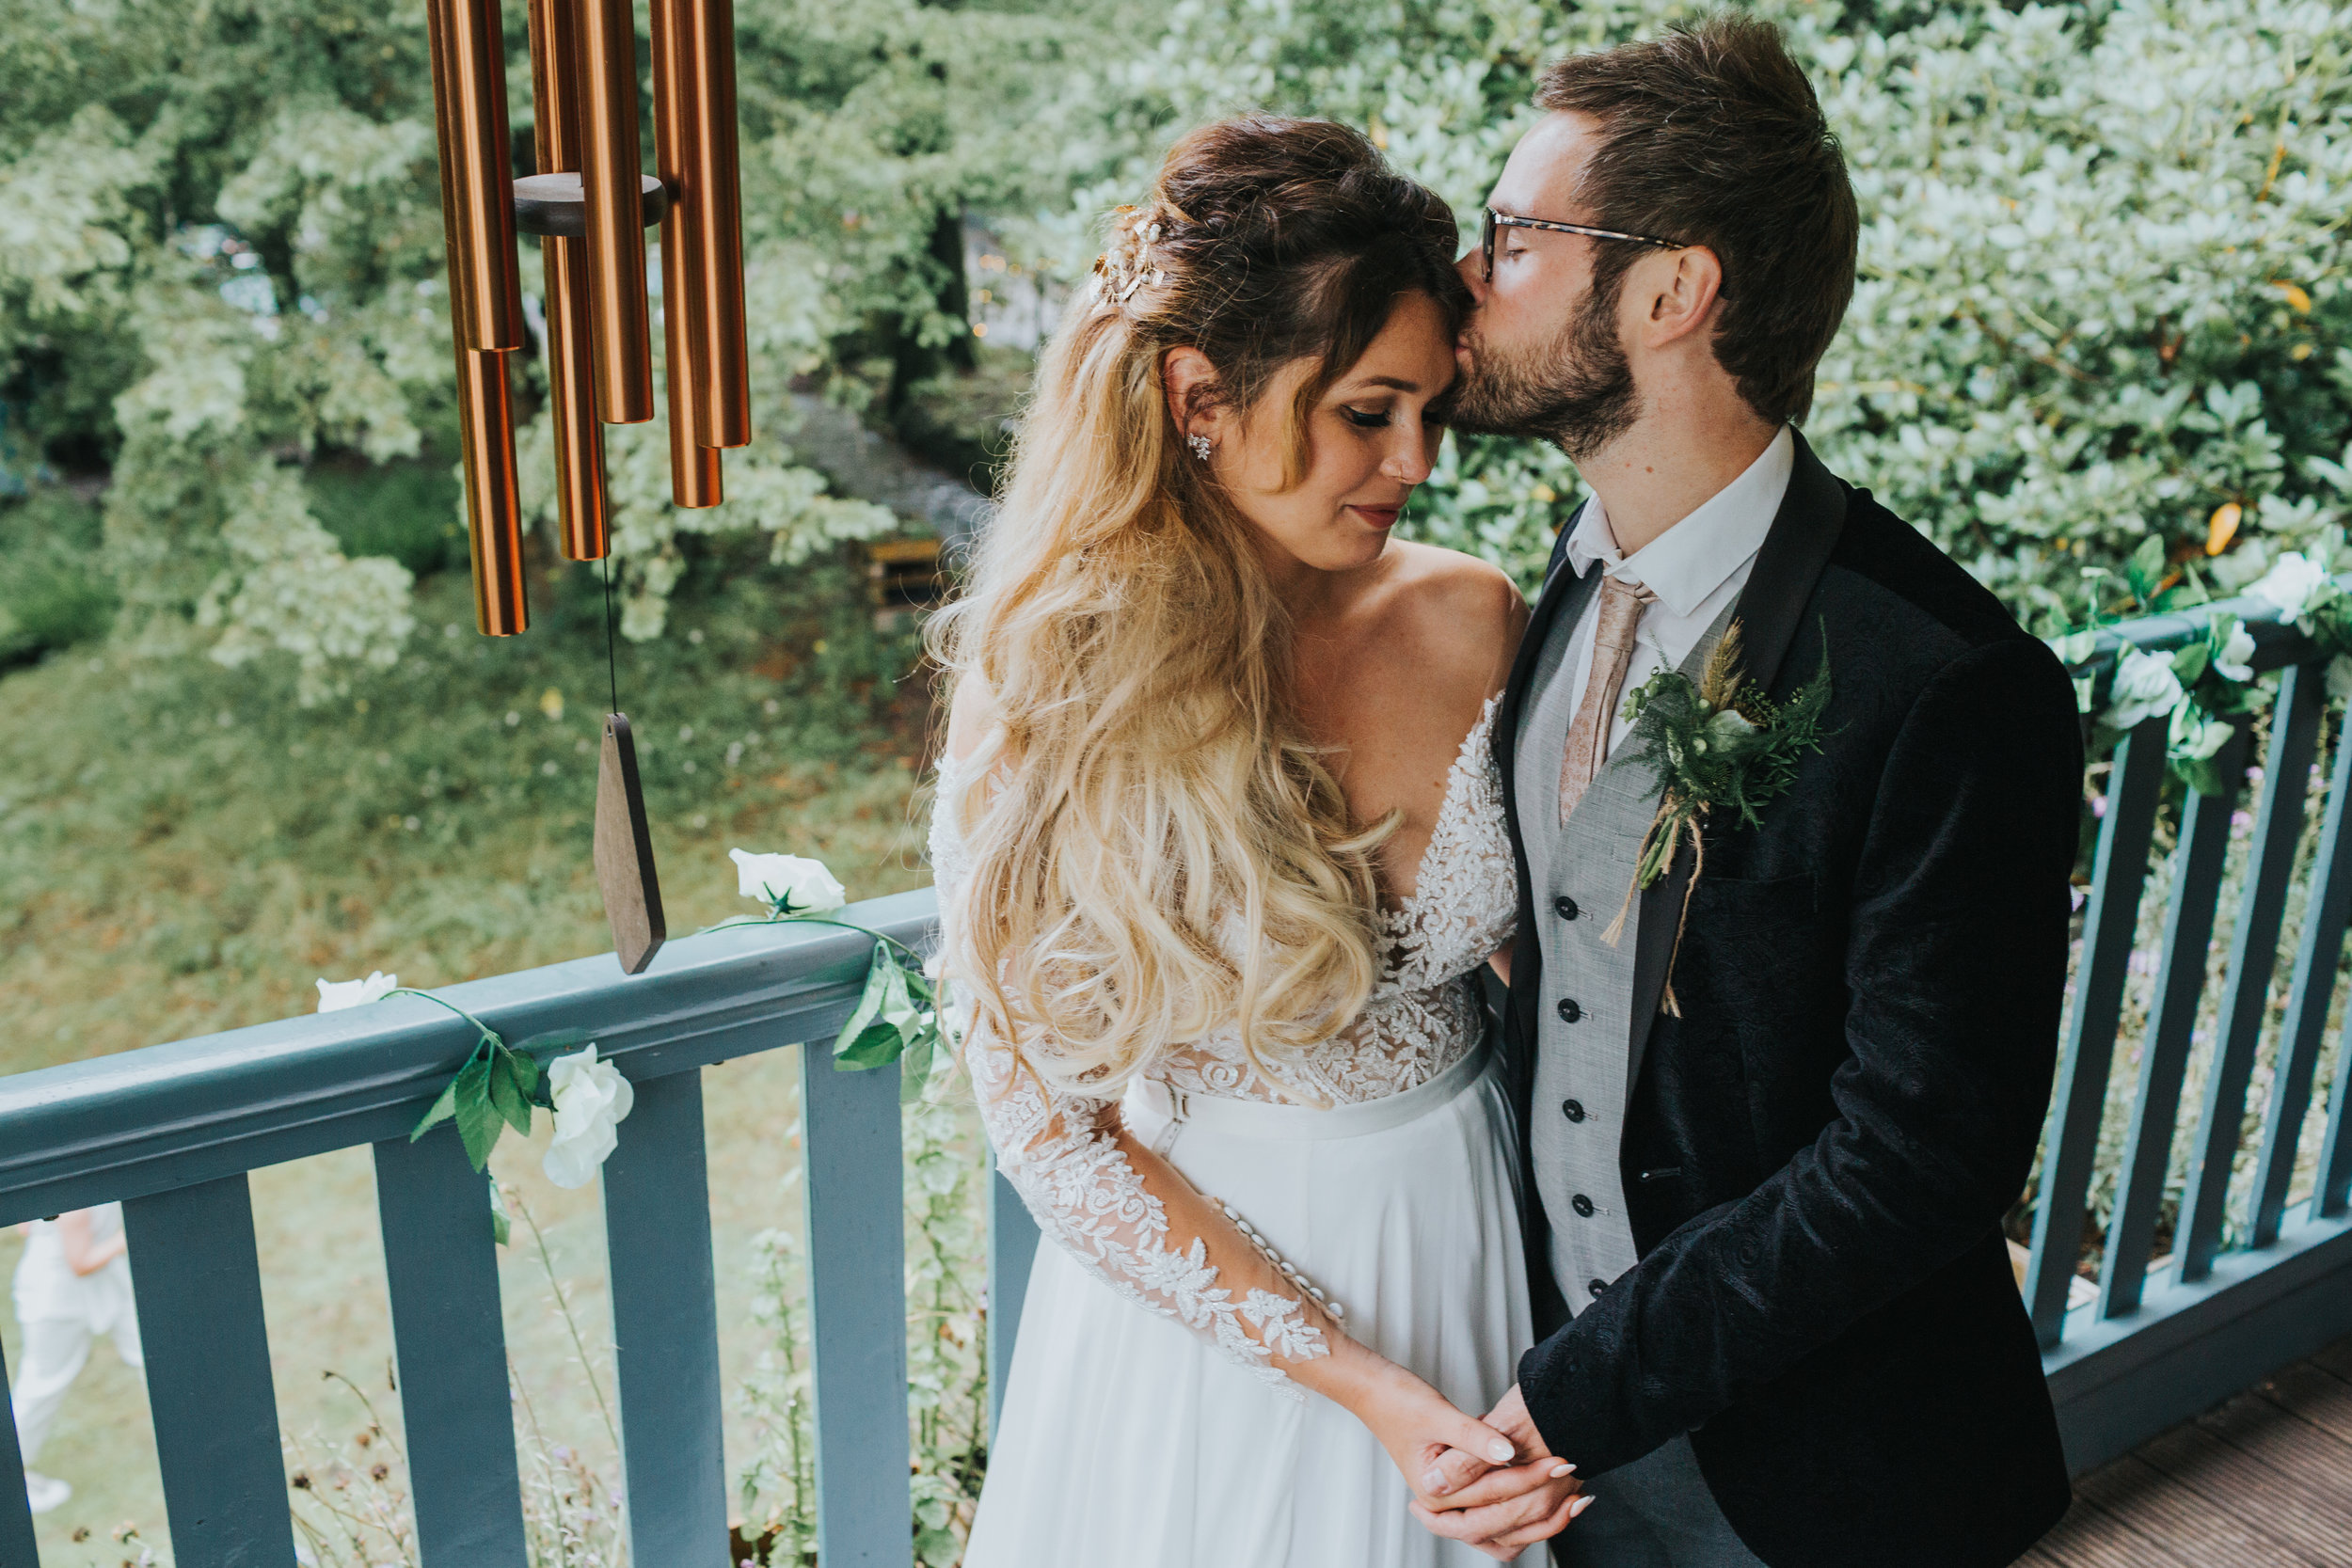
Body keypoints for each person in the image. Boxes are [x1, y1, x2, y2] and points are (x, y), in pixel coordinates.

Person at [1407, 15, 2084, 1567]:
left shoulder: (1947, 679)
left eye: (1512, 235)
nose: (1469, 278)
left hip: (1833, 1471)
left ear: (1670, 290)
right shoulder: (1560, 583)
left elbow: (1916, 1156)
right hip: (1572, 1461)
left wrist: (1577, 1391)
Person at [928, 117, 1586, 1566]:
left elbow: (1571, 974)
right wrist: (1362, 1383)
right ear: (1199, 393)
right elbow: (1048, 1126)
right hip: (1216, 1302)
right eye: (1368, 409)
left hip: (1471, 1233)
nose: (1414, 457)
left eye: (1430, 409)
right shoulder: (1048, 681)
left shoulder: (1471, 615)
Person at [11, 1202, 142, 1514]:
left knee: (148, 1355)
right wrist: (134, 1233)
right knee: (42, 1387)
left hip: (104, 1279)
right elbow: (80, 1262)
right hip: (55, 1298)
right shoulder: (75, 1203)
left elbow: (24, 1225)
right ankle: (12, 1477)